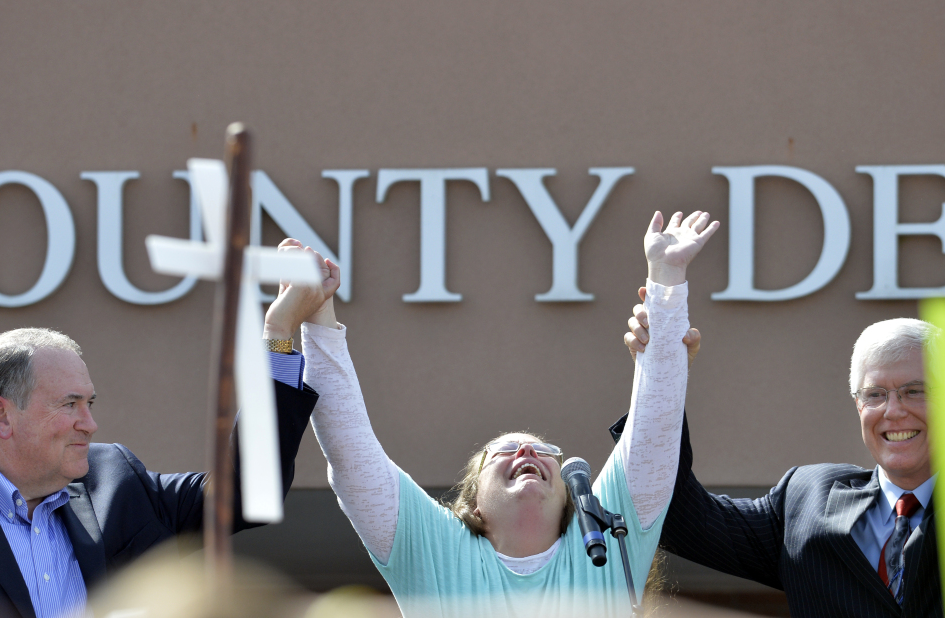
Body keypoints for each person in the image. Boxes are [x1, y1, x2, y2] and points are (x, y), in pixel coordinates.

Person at [276, 211, 718, 617]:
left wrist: (667, 280)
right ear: (471, 505)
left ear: (569, 498)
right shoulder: (435, 550)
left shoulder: (607, 543)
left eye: (545, 451)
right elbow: (352, 454)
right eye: (502, 451)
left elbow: (654, 434)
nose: (527, 448)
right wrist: (317, 314)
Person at [0, 249, 338, 618]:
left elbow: (250, 492)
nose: (90, 423)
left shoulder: (114, 483)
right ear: (1, 415)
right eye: (69, 405)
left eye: (90, 403)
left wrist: (279, 332)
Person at [622, 301, 942, 617]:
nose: (894, 411)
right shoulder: (807, 500)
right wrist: (662, 379)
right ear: (859, 406)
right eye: (875, 394)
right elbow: (676, 515)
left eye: (915, 391)